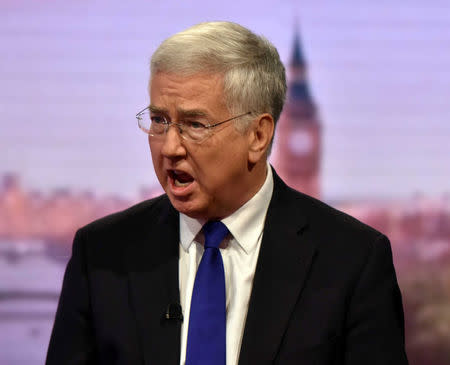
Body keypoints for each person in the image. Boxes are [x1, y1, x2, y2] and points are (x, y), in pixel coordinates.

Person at [46, 21, 409, 365]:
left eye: (194, 124)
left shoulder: (352, 260)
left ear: (258, 136)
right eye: (159, 120)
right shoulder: (101, 253)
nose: (170, 147)